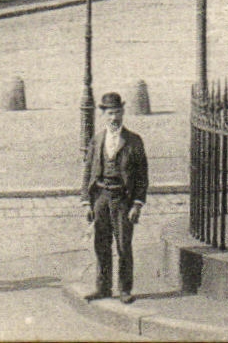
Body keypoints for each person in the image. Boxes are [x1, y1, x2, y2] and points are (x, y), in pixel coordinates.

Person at [82, 91, 148, 304]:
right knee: (101, 244)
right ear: (104, 114)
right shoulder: (97, 140)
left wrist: (137, 204)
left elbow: (141, 176)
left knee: (123, 245)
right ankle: (102, 287)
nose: (114, 118)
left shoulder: (134, 141)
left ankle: (124, 289)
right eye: (110, 113)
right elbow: (88, 171)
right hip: (101, 195)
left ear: (123, 112)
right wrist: (87, 202)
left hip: (122, 198)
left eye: (118, 112)